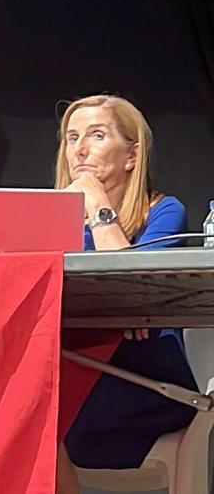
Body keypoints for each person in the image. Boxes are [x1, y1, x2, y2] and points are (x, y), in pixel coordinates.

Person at [52, 94, 197, 494]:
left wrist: (97, 205)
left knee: (40, 420)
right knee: (19, 411)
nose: (79, 150)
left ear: (131, 156)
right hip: (77, 374)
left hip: (144, 383)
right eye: (71, 137)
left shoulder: (164, 212)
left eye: (96, 135)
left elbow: (129, 287)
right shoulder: (48, 221)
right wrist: (116, 314)